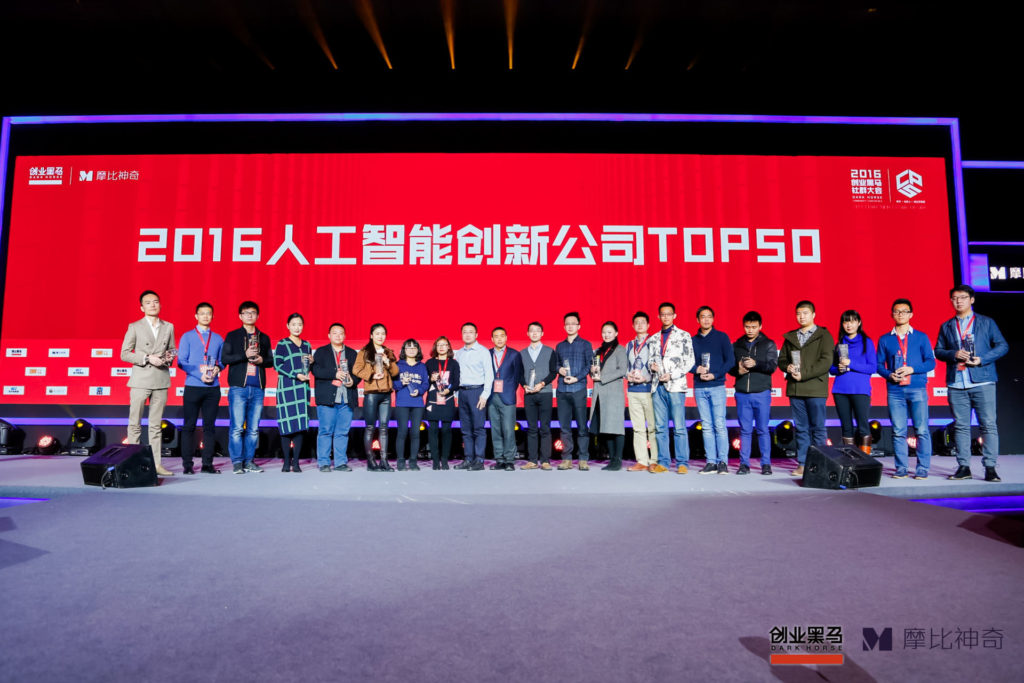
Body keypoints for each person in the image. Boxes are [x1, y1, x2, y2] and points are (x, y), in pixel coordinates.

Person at [935, 284, 1009, 482]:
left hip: (982, 380)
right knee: (960, 426)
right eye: (955, 298)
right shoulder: (947, 325)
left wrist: (982, 359)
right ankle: (964, 467)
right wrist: (954, 354)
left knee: (988, 425)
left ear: (972, 300)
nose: (958, 301)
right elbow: (938, 351)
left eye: (963, 297)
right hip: (957, 383)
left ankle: (990, 467)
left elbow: (1002, 346)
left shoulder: (986, 322)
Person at [120, 290, 177, 477]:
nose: (153, 305)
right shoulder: (135, 326)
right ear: (141, 307)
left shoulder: (168, 326)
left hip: (161, 379)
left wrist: (167, 359)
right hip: (140, 380)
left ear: (160, 304)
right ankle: (133, 462)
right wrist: (147, 357)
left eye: (156, 301)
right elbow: (125, 353)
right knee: (134, 424)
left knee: (155, 425)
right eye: (148, 302)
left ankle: (156, 464)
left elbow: (172, 350)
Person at [877, 298, 936, 479]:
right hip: (895, 390)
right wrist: (889, 375)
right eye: (897, 311)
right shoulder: (885, 339)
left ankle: (922, 468)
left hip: (917, 388)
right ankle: (901, 468)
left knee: (921, 430)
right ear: (892, 314)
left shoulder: (921, 337)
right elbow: (878, 365)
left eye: (904, 311)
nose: (900, 314)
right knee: (898, 431)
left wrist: (912, 369)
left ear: (911, 314)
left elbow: (931, 362)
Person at [778, 300, 834, 478]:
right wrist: (787, 367)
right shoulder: (791, 337)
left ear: (813, 315)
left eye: (805, 313)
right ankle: (803, 464)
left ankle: (820, 464)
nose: (801, 317)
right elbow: (782, 360)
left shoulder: (824, 335)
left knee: (818, 428)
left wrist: (803, 374)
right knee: (801, 429)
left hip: (815, 388)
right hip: (795, 389)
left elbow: (826, 361)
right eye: (798, 314)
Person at [221, 301, 273, 474]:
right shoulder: (233, 335)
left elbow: (270, 361)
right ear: (240, 316)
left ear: (257, 315)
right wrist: (244, 355)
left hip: (257, 388)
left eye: (253, 312)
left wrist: (262, 360)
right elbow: (225, 359)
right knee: (237, 427)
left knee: (253, 429)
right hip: (238, 388)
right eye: (246, 312)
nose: (250, 315)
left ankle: (249, 461)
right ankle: (237, 462)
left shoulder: (263, 337)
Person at [728, 311, 778, 475]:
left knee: (763, 429)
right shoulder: (737, 344)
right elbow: (730, 368)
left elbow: (772, 366)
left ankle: (766, 464)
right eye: (747, 327)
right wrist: (738, 371)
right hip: (742, 393)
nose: (750, 330)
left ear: (760, 326)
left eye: (754, 327)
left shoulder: (768, 344)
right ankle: (744, 464)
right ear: (743, 326)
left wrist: (756, 364)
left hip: (761, 392)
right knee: (745, 430)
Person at [177, 302, 223, 475]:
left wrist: (218, 368)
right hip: (193, 386)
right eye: (202, 313)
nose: (205, 316)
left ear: (213, 316)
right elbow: (182, 361)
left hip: (213, 388)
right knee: (189, 426)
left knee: (209, 427)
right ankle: (187, 465)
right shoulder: (187, 336)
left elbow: (222, 361)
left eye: (208, 313)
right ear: (196, 316)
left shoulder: (218, 338)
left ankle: (207, 464)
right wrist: (199, 374)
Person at [649, 302, 695, 474]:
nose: (666, 317)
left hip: (675, 386)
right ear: (658, 316)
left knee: (679, 427)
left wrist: (672, 374)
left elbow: (690, 361)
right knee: (660, 427)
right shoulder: (654, 338)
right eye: (663, 314)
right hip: (657, 386)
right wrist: (651, 366)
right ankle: (663, 462)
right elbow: (650, 360)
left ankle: (682, 462)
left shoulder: (683, 335)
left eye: (669, 314)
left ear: (674, 316)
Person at [310, 323, 359, 472]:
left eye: (341, 333)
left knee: (342, 432)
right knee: (325, 431)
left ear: (345, 335)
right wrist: (335, 374)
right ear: (329, 335)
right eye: (335, 333)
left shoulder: (352, 353)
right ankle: (324, 462)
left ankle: (340, 463)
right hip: (327, 398)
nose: (338, 336)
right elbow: (316, 370)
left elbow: (358, 373)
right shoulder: (321, 352)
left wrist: (353, 381)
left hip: (346, 397)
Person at [692, 306, 734, 475]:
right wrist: (697, 369)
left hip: (717, 386)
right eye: (703, 317)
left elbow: (730, 361)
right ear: (698, 320)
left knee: (719, 425)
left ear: (713, 319)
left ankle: (722, 462)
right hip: (700, 387)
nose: (706, 319)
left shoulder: (722, 337)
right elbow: (687, 363)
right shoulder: (692, 340)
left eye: (709, 316)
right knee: (707, 426)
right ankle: (711, 462)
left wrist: (715, 375)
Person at [353, 323, 399, 472]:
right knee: (370, 427)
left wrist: (387, 362)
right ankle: (371, 461)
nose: (380, 336)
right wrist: (371, 375)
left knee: (384, 428)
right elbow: (356, 369)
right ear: (371, 335)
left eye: (383, 334)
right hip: (372, 393)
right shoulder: (364, 352)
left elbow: (395, 372)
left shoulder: (388, 351)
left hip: (386, 394)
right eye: (377, 333)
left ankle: (384, 461)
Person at [830, 310, 876, 454]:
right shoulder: (840, 343)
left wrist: (851, 364)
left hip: (860, 390)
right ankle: (850, 459)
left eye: (852, 321)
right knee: (846, 427)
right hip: (840, 390)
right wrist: (839, 369)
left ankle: (865, 458)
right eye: (846, 322)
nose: (849, 325)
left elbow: (872, 367)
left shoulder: (867, 342)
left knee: (863, 426)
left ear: (859, 323)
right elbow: (832, 369)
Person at [273, 313, 313, 473]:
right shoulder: (282, 343)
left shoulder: (307, 345)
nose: (297, 327)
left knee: (300, 426)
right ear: (288, 326)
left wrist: (311, 363)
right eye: (294, 324)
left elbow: (307, 367)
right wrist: (295, 374)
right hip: (287, 388)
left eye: (300, 324)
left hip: (303, 388)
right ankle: (286, 461)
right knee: (286, 424)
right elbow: (277, 365)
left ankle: (296, 462)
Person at [555, 312, 594, 470]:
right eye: (567, 324)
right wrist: (559, 369)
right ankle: (567, 458)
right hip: (562, 389)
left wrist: (576, 378)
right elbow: (555, 364)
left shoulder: (585, 345)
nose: (570, 326)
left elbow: (589, 365)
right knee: (564, 427)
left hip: (578, 389)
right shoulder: (560, 346)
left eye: (573, 323)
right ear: (564, 326)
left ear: (579, 326)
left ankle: (583, 458)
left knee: (582, 426)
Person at [589, 321, 628, 471]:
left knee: (616, 427)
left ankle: (618, 460)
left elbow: (622, 370)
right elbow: (593, 372)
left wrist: (602, 377)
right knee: (605, 427)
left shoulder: (620, 350)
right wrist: (592, 371)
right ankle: (611, 459)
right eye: (604, 332)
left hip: (613, 394)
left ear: (616, 333)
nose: (606, 335)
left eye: (610, 332)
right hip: (599, 394)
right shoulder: (597, 351)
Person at [454, 323, 494, 471]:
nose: (468, 334)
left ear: (476, 335)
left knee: (478, 428)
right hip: (462, 392)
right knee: (465, 429)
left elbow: (489, 374)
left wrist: (485, 395)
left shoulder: (483, 351)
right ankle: (468, 458)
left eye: (471, 332)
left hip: (477, 392)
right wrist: (457, 394)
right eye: (465, 332)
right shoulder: (459, 353)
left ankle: (479, 460)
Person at [519, 322, 558, 470]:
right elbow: (519, 374)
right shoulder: (522, 353)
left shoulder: (550, 351)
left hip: (545, 393)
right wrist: (524, 385)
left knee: (545, 428)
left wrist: (542, 384)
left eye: (537, 331)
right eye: (532, 331)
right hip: (529, 394)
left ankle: (545, 460)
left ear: (542, 333)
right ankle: (532, 460)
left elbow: (553, 372)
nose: (534, 333)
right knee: (532, 428)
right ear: (527, 333)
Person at [625, 312, 658, 471]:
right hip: (633, 390)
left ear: (648, 325)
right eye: (636, 322)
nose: (639, 325)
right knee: (638, 428)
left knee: (653, 427)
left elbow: (658, 366)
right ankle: (642, 461)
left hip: (649, 389)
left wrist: (646, 378)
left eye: (642, 322)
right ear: (633, 325)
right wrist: (628, 375)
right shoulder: (629, 345)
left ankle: (654, 460)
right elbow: (624, 367)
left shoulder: (654, 343)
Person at [488, 327, 522, 471]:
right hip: (491, 396)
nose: (499, 338)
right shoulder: (487, 354)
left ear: (506, 338)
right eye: (496, 336)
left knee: (508, 430)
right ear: (492, 339)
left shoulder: (514, 354)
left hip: (507, 397)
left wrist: (509, 389)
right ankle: (499, 459)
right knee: (495, 429)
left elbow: (517, 376)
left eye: (502, 336)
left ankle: (509, 460)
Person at [425, 336, 461, 470]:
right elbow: (424, 383)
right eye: (439, 345)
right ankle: (435, 460)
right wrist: (430, 378)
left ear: (448, 347)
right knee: (433, 430)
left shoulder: (453, 363)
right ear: (435, 347)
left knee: (446, 430)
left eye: (444, 344)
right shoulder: (429, 363)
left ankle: (444, 459)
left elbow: (457, 382)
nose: (441, 347)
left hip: (448, 399)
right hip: (433, 400)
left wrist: (449, 390)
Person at [394, 339, 430, 471]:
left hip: (417, 404)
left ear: (418, 350)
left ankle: (413, 461)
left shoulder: (422, 366)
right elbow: (393, 384)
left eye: (414, 347)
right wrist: (402, 383)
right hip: (402, 403)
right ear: (404, 350)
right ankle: (400, 461)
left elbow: (426, 384)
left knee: (415, 433)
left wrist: (419, 391)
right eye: (408, 347)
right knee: (402, 432)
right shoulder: (398, 365)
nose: (411, 350)